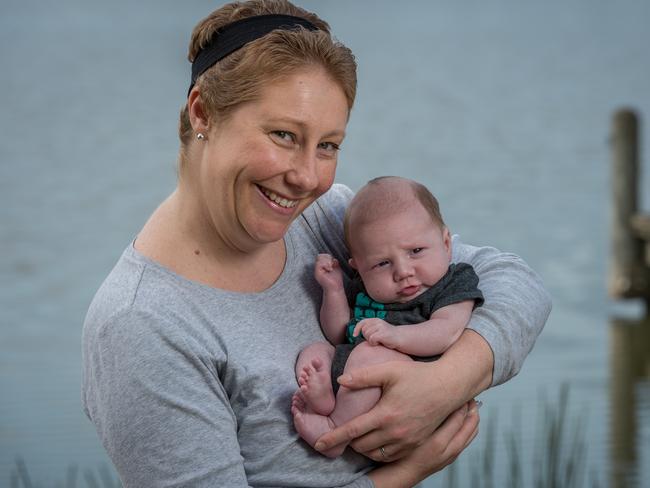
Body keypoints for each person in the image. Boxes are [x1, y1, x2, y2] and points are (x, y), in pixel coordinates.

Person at [81, 1, 551, 487]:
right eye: (284, 135)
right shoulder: (140, 328)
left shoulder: (324, 218)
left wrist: (444, 383)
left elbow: (516, 282)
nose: (308, 178)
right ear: (203, 111)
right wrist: (402, 474)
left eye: (327, 145)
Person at [292, 176, 485, 458]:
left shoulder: (452, 283)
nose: (403, 271)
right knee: (317, 350)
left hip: (408, 388)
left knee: (372, 355)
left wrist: (395, 336)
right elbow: (339, 333)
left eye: (416, 251)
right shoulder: (369, 287)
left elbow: (446, 332)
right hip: (356, 377)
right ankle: (326, 401)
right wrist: (333, 290)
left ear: (446, 242)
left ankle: (334, 430)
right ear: (357, 267)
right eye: (383, 263)